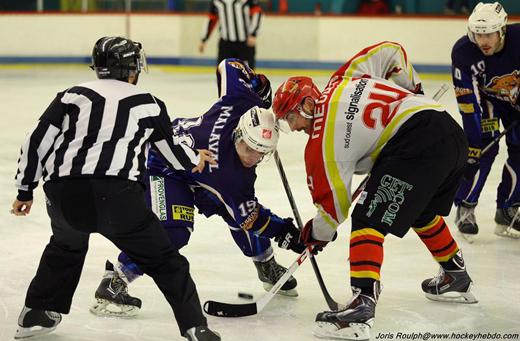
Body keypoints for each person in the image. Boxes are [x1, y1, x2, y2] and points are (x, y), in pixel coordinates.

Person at [11, 36, 220, 341]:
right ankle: (194, 326)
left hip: (64, 195)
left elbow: (36, 141)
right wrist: (195, 159)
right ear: (133, 68)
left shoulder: (72, 96)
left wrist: (25, 190)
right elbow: (171, 153)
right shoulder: (148, 103)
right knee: (164, 261)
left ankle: (35, 314)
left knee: (65, 247)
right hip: (118, 198)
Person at [272, 41, 478, 340]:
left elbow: (333, 212)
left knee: (368, 220)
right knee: (421, 212)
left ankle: (362, 304)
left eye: (291, 118)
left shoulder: (321, 141)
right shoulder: (343, 79)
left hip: (416, 144)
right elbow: (391, 51)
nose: (294, 127)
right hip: (448, 131)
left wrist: (315, 234)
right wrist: (412, 90)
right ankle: (456, 275)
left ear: (305, 104)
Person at [90, 58, 306, 317]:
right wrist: (287, 233)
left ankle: (266, 265)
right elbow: (252, 218)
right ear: (239, 134)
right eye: (248, 148)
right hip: (166, 166)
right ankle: (115, 281)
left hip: (203, 172)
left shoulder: (243, 103)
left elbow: (229, 65)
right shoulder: (231, 178)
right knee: (175, 232)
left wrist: (254, 83)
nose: (252, 158)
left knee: (236, 211)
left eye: (261, 153)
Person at [451, 2, 520, 239]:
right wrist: (473, 141)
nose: (483, 41)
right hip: (485, 101)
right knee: (483, 149)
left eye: (489, 34)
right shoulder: (464, 51)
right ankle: (465, 207)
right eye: (478, 34)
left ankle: (508, 208)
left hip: (515, 100)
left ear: (501, 30)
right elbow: (468, 102)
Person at [199, 0, 262, 69]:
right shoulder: (217, 2)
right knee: (224, 73)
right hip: (226, 44)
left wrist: (253, 34)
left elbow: (257, 13)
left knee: (247, 75)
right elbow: (212, 20)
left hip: (245, 43)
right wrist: (204, 39)